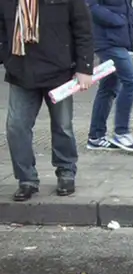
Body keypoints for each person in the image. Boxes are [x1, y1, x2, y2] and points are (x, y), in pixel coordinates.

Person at [1, 0, 94, 201]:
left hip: (59, 72)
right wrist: (7, 59)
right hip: (21, 72)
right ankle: (26, 179)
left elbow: (83, 29)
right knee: (16, 127)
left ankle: (66, 172)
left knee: (62, 126)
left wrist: (84, 68)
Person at [85, 0, 133, 153]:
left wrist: (131, 21)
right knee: (132, 82)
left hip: (116, 37)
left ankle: (96, 137)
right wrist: (117, 20)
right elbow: (90, 5)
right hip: (107, 41)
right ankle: (121, 132)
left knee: (108, 88)